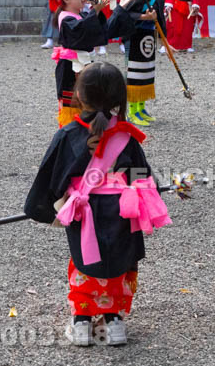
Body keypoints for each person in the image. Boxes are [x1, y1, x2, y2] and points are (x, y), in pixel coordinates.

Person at [24, 62, 169, 347]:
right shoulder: (128, 137)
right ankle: (113, 323)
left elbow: (50, 177)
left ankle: (81, 323)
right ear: (119, 98)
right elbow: (142, 177)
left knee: (84, 262)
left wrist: (43, 208)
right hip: (122, 210)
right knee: (118, 262)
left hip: (84, 210)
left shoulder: (68, 135)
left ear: (79, 93)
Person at [51, 0, 136, 126]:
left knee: (88, 101)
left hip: (84, 64)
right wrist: (95, 10)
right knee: (72, 106)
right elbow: (81, 32)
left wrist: (119, 10)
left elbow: (103, 32)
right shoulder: (65, 18)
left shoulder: (82, 16)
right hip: (70, 68)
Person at [123, 0, 166, 127]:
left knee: (146, 73)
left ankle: (141, 108)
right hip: (135, 36)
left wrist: (165, 38)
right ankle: (132, 111)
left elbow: (159, 17)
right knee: (134, 74)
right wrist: (143, 17)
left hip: (148, 38)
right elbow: (126, 12)